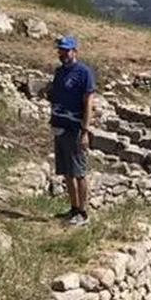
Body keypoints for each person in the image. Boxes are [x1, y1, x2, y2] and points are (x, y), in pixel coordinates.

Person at [49, 36, 96, 227]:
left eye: (66, 50)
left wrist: (85, 130)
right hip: (59, 127)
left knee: (79, 172)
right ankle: (73, 208)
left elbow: (89, 102)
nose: (63, 53)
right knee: (67, 172)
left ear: (75, 51)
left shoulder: (84, 73)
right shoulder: (59, 72)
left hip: (75, 129)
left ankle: (83, 213)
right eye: (61, 50)